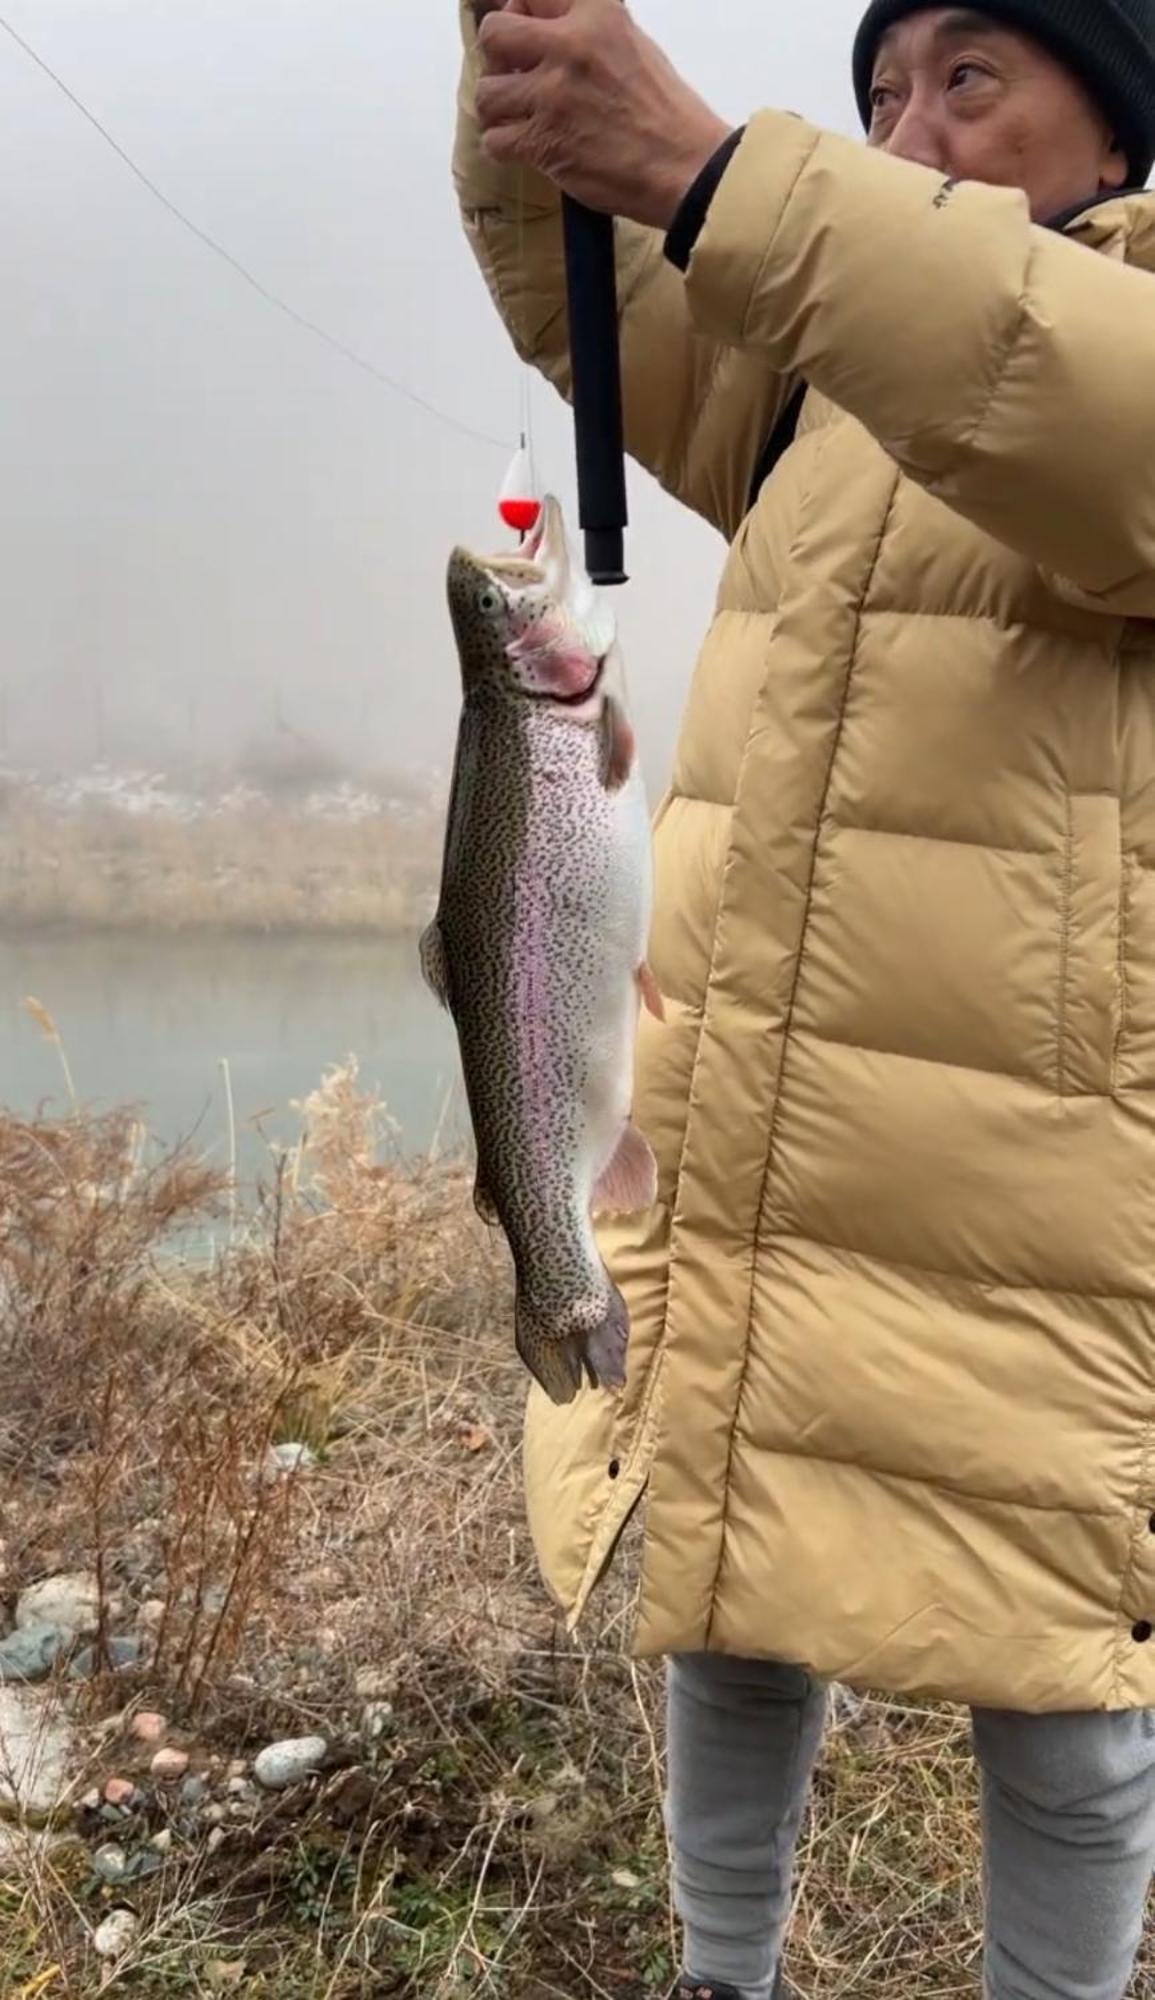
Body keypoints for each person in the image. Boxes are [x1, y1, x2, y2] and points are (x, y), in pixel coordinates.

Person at [451, 1, 1155, 1994]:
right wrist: (523, 58)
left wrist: (714, 169)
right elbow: (589, 290)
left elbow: (1036, 376)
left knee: (1063, 1684)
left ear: (1112, 118)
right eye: (874, 95)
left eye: (965, 79)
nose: (905, 130)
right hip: (762, 1116)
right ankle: (719, 1972)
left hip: (1039, 1175)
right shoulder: (824, 394)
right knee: (727, 1580)